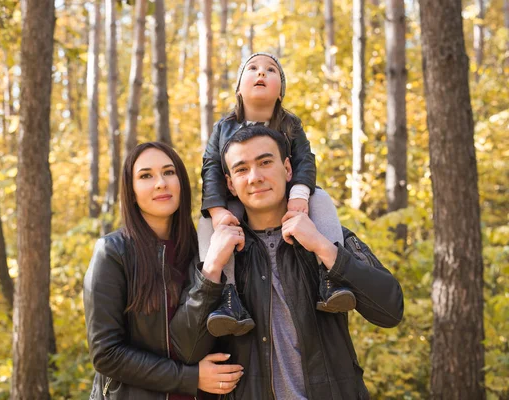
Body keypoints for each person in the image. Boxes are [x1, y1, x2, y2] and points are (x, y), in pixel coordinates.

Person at [172, 125, 404, 399]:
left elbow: (390, 310)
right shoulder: (216, 254)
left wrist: (322, 247)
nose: (255, 177)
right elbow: (185, 349)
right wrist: (211, 269)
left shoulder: (326, 235)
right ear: (230, 184)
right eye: (242, 169)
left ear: (288, 169)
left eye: (265, 162)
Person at [199, 52, 355, 337]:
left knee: (321, 200)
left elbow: (305, 160)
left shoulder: (290, 125)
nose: (261, 73)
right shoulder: (223, 127)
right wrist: (217, 209)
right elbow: (210, 167)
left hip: (289, 195)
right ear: (239, 88)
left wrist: (299, 194)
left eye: (271, 70)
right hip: (237, 199)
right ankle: (228, 295)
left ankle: (330, 277)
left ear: (280, 91)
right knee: (207, 226)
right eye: (253, 68)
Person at [84, 142, 244, 400]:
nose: (161, 183)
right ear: (131, 191)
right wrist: (190, 378)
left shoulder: (204, 248)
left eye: (169, 172)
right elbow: (106, 354)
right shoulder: (112, 252)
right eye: (146, 175)